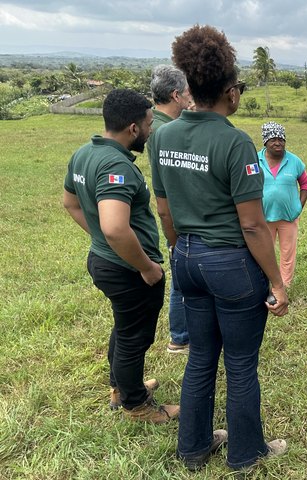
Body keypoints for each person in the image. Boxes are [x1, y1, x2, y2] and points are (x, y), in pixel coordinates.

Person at [149, 25, 288, 472]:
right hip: (230, 264)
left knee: (201, 358)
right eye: (240, 88)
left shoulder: (162, 137)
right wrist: (276, 280)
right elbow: (251, 224)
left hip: (186, 257)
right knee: (242, 362)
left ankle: (192, 448)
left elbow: (164, 211)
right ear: (230, 91)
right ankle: (247, 453)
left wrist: (182, 251)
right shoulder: (234, 142)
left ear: (189, 86)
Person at [62, 88, 179, 423]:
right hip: (127, 269)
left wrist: (102, 238)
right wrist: (146, 267)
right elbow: (115, 228)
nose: (151, 129)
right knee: (134, 336)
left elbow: (71, 204)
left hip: (104, 260)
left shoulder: (84, 154)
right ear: (132, 129)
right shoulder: (116, 165)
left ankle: (120, 387)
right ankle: (136, 405)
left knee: (124, 326)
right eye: (148, 123)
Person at [148, 64, 193, 354]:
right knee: (181, 278)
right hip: (179, 216)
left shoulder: (155, 126)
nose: (191, 96)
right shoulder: (167, 131)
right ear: (176, 95)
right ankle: (179, 336)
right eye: (188, 91)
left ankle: (182, 333)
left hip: (175, 213)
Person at [257, 121, 307, 287]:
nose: (278, 143)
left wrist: (298, 207)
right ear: (265, 141)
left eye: (281, 139)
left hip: (288, 216)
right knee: (265, 252)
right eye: (273, 139)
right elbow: (247, 184)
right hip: (263, 216)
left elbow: (305, 185)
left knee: (288, 253)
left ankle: (284, 284)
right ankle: (265, 283)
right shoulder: (255, 159)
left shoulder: (294, 161)